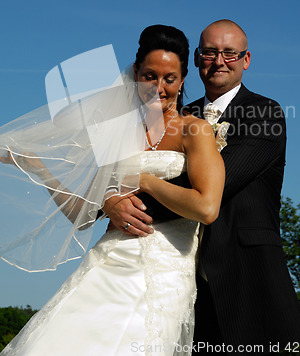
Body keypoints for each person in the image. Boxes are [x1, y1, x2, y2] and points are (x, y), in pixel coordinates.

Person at [0, 25, 225, 356]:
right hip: (107, 264)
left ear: (182, 78)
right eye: (150, 76)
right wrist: (37, 167)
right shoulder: (116, 133)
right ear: (135, 73)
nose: (159, 88)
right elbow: (83, 215)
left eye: (170, 79)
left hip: (163, 273)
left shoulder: (195, 130)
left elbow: (206, 207)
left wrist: (144, 180)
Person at [107, 20, 300, 353]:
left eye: (230, 53)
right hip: (181, 283)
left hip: (248, 281)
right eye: (210, 53)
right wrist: (107, 201)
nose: (219, 61)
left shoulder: (264, 113)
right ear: (197, 59)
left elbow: (215, 186)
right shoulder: (177, 116)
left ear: (246, 59)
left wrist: (128, 199)